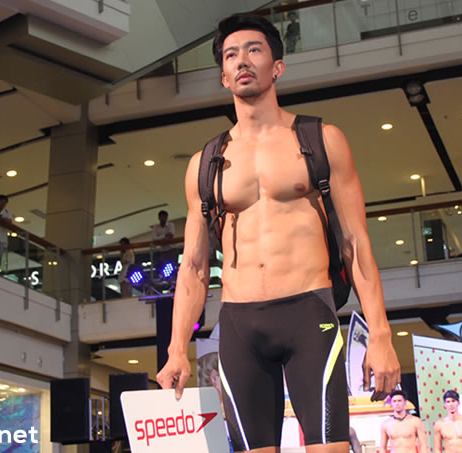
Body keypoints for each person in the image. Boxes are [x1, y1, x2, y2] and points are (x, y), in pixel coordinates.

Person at [156, 13, 400, 453]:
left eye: (254, 50)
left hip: (309, 313)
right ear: (224, 75)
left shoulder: (322, 140)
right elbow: (193, 266)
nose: (242, 60)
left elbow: (355, 244)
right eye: (231, 55)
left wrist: (380, 334)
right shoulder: (204, 163)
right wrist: (177, 349)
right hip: (239, 325)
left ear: (277, 66)